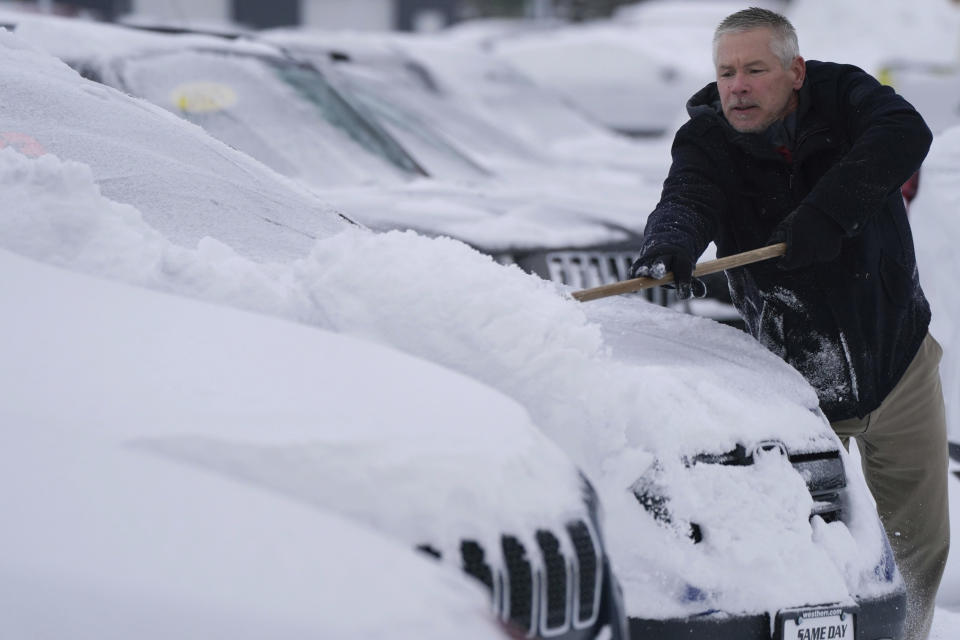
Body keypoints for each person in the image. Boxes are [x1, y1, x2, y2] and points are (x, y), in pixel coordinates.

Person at [629, 8, 948, 639]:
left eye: (754, 69)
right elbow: (688, 195)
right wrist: (669, 242)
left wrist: (827, 214)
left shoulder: (848, 98)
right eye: (726, 73)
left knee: (919, 547)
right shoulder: (708, 140)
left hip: (899, 363)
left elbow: (905, 133)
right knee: (801, 558)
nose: (737, 86)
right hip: (791, 383)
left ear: (795, 71)